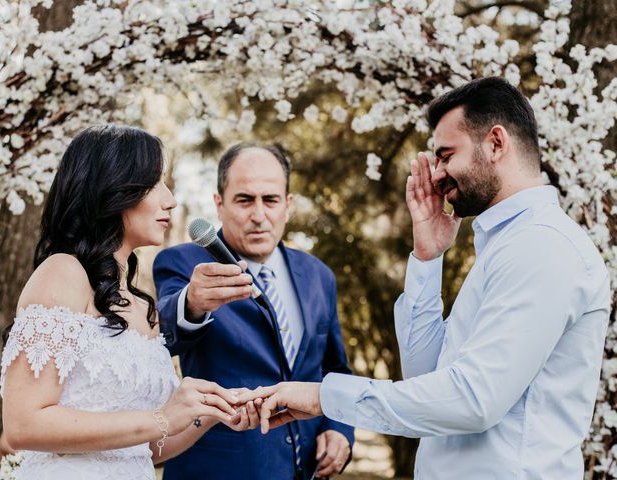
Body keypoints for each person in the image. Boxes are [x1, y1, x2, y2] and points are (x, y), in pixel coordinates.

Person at [239, 77, 611, 479]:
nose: (436, 175)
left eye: (446, 155)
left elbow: (472, 400)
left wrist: (323, 396)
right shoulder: (506, 246)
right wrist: (427, 258)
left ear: (496, 143)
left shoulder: (542, 246)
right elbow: (426, 378)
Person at [0, 125, 259, 480]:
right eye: (155, 185)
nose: (170, 200)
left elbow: (146, 448)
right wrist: (162, 418)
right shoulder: (62, 273)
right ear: (112, 190)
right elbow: (23, 425)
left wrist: (209, 413)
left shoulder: (141, 306)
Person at [153, 143, 355, 479]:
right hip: (219, 469)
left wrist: (339, 429)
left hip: (306, 469)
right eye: (245, 200)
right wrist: (191, 303)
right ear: (219, 204)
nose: (259, 215)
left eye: (271, 200)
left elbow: (335, 369)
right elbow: (162, 332)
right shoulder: (182, 263)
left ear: (288, 205)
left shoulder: (320, 275)